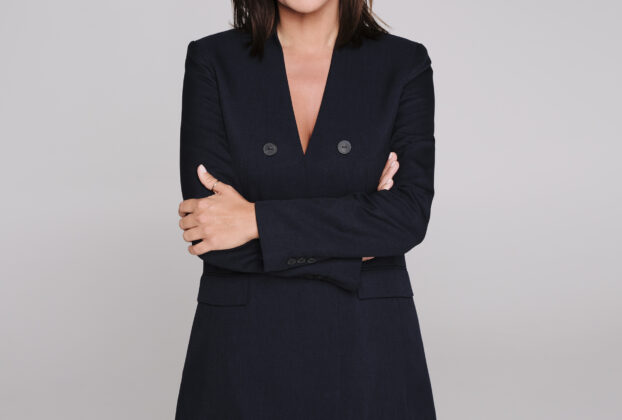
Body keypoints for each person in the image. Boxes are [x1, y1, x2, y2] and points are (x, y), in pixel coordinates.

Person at [175, 0, 436, 418]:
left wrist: (254, 220)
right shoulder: (213, 60)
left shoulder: (403, 64)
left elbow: (405, 217)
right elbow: (212, 231)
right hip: (242, 350)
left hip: (368, 348)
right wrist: (356, 242)